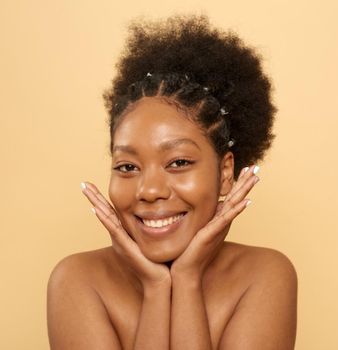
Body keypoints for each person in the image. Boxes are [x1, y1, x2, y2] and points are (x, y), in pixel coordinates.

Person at [47, 14, 297, 349]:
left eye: (178, 162)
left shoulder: (265, 276)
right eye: (126, 166)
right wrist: (156, 288)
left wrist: (187, 278)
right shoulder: (77, 280)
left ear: (225, 174)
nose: (149, 190)